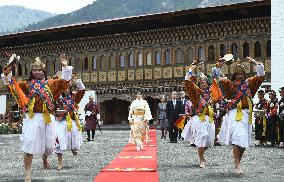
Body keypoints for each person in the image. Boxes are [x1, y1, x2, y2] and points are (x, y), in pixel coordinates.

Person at [1, 54, 73, 182]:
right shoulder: (26, 84)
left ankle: (45, 158)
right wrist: (7, 74)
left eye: (39, 70)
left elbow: (64, 83)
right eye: (35, 70)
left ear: (43, 71)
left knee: (49, 147)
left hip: (48, 118)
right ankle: (27, 173)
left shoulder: (50, 83)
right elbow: (12, 86)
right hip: (32, 117)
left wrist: (65, 67)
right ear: (32, 71)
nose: (37, 72)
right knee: (29, 144)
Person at [213, 55, 265, 174]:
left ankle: (237, 162)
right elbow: (217, 76)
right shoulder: (229, 84)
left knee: (243, 141)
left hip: (246, 114)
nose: (240, 76)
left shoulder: (250, 83)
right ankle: (237, 164)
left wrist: (254, 62)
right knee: (238, 136)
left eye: (242, 74)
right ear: (234, 75)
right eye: (237, 74)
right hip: (234, 113)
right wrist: (218, 65)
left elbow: (261, 75)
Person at [184, 62, 215, 168]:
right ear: (198, 84)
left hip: (209, 118)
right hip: (198, 118)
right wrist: (192, 69)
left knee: (210, 141)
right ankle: (201, 159)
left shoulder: (210, 92)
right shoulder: (195, 92)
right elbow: (188, 82)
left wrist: (203, 70)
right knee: (202, 137)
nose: (204, 84)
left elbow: (214, 81)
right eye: (201, 83)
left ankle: (201, 152)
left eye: (205, 82)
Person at [53, 74, 85, 170]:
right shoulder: (57, 97)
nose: (66, 90)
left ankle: (73, 148)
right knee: (59, 140)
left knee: (73, 138)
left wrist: (77, 82)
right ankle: (60, 162)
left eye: (68, 88)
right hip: (61, 122)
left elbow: (82, 90)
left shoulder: (75, 97)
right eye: (64, 88)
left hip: (72, 121)